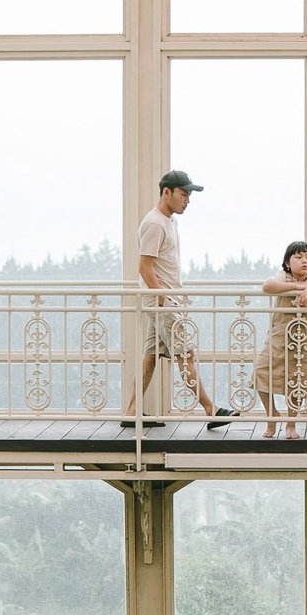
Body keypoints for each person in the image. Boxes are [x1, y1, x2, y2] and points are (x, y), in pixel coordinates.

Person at [122, 170, 229, 429]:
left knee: (151, 356)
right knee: (186, 355)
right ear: (166, 192)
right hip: (163, 303)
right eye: (183, 194)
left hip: (163, 301)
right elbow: (144, 267)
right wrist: (163, 300)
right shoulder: (155, 223)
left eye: (189, 195)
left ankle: (131, 411)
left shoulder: (169, 221)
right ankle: (211, 409)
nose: (187, 200)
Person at [254, 242, 307, 438]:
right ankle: (271, 415)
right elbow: (268, 286)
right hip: (278, 336)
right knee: (262, 372)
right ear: (287, 262)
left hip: (304, 339)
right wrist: (295, 286)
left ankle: (291, 423)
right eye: (298, 257)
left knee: (297, 381)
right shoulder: (282, 277)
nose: (304, 261)